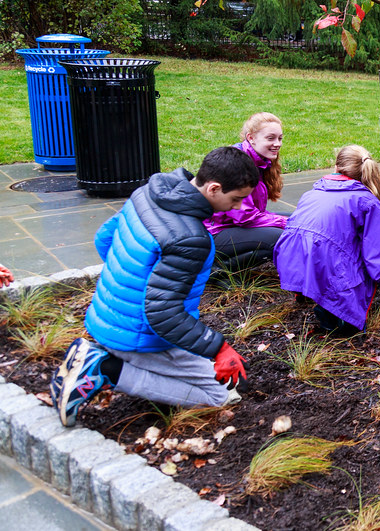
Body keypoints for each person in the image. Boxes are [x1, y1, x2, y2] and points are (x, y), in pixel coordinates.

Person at [49, 147, 260, 428]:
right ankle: (105, 368)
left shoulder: (148, 193)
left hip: (107, 315)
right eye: (236, 198)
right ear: (213, 188)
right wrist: (218, 349)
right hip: (142, 335)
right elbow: (162, 315)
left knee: (227, 379)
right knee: (223, 394)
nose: (239, 206)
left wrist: (133, 280)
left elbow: (104, 239)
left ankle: (108, 357)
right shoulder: (189, 238)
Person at [273, 144, 380, 337]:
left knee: (326, 246)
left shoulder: (312, 193)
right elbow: (379, 260)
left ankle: (310, 294)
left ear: (336, 167)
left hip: (289, 267)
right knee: (348, 324)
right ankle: (334, 313)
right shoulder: (367, 202)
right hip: (326, 271)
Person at [205, 112, 288, 271]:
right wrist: (285, 223)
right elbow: (244, 216)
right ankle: (217, 270)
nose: (277, 143)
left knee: (299, 218)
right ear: (251, 138)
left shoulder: (261, 160)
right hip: (215, 232)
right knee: (283, 236)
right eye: (270, 138)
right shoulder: (238, 164)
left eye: (280, 138)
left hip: (234, 224)